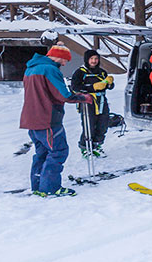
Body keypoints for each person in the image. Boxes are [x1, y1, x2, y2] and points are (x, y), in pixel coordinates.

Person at [20, 45, 93, 197]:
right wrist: (83, 97)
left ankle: (38, 185)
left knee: (42, 153)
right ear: (58, 56)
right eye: (65, 60)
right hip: (47, 119)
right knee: (58, 152)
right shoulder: (50, 70)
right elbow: (64, 95)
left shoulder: (31, 68)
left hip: (31, 118)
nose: (65, 64)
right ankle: (50, 188)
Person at [70, 49, 114, 158]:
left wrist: (109, 83)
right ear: (87, 60)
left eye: (96, 59)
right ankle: (86, 148)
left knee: (103, 124)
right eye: (91, 59)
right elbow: (75, 88)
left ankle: (97, 146)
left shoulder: (102, 72)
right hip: (88, 102)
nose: (94, 61)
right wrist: (92, 87)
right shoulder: (80, 72)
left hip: (101, 101)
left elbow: (108, 87)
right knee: (88, 125)